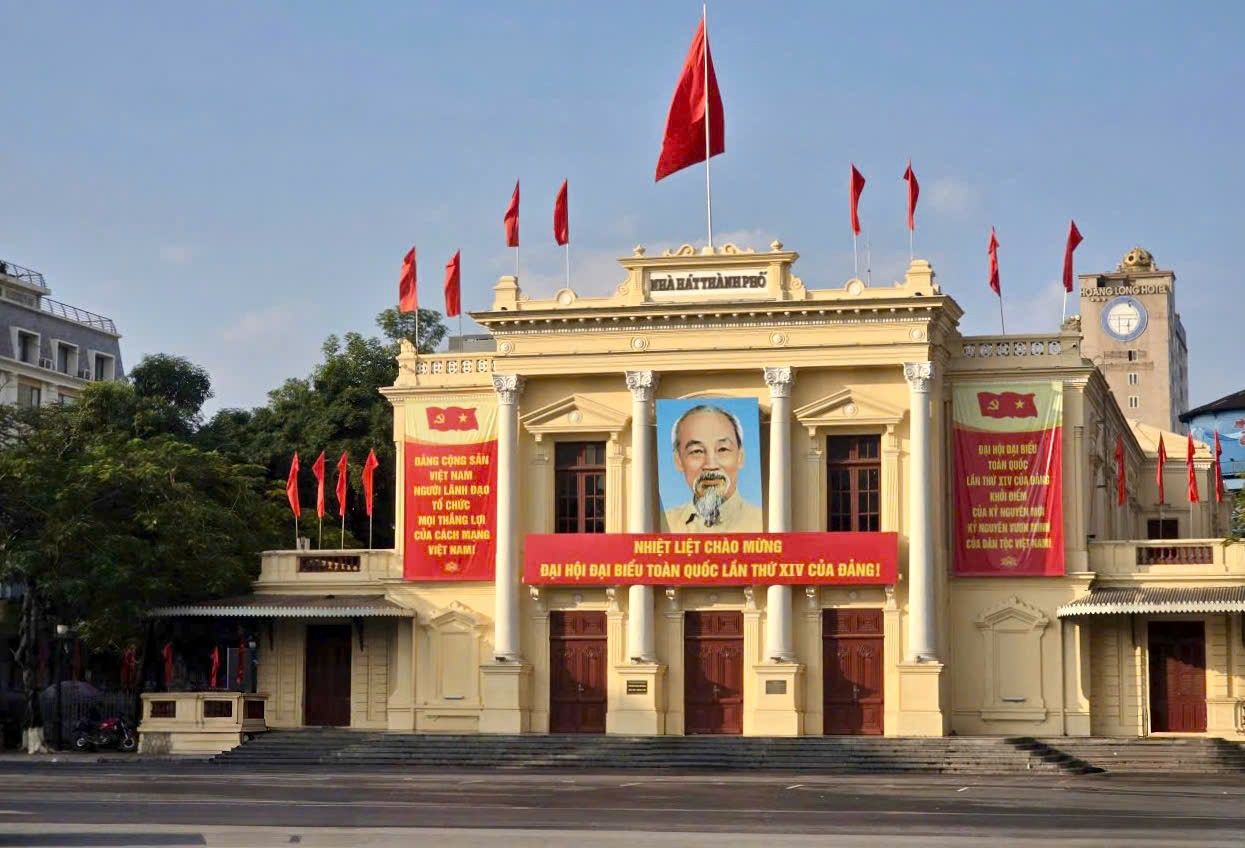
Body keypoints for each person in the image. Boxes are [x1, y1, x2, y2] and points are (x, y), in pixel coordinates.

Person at [661, 403, 763, 532]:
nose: (711, 465)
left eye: (722, 449)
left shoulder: (764, 521)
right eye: (697, 451)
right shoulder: (664, 525)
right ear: (678, 461)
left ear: (740, 457)